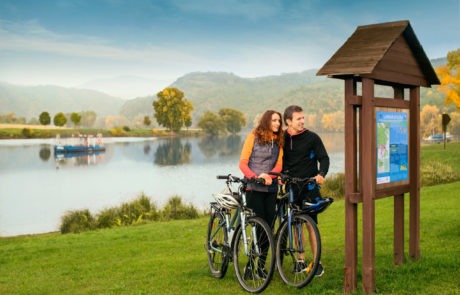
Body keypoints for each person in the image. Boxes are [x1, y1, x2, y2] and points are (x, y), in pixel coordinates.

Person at [282, 104, 330, 276]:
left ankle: (316, 262)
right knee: (296, 225)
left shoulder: (312, 138)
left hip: (309, 186)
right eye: (299, 119)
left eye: (303, 118)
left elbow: (324, 158)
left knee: (311, 224)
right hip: (291, 187)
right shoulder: (282, 138)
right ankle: (300, 261)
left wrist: (321, 173)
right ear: (288, 121)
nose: (303, 121)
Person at [239, 109, 284, 279]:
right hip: (253, 188)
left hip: (271, 189)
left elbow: (279, 165)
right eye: (274, 120)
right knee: (260, 227)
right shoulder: (253, 137)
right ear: (266, 121)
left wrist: (270, 177)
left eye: (279, 121)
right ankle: (250, 267)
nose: (277, 124)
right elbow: (243, 163)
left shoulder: (279, 141)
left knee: (269, 228)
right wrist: (256, 177)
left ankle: (261, 267)